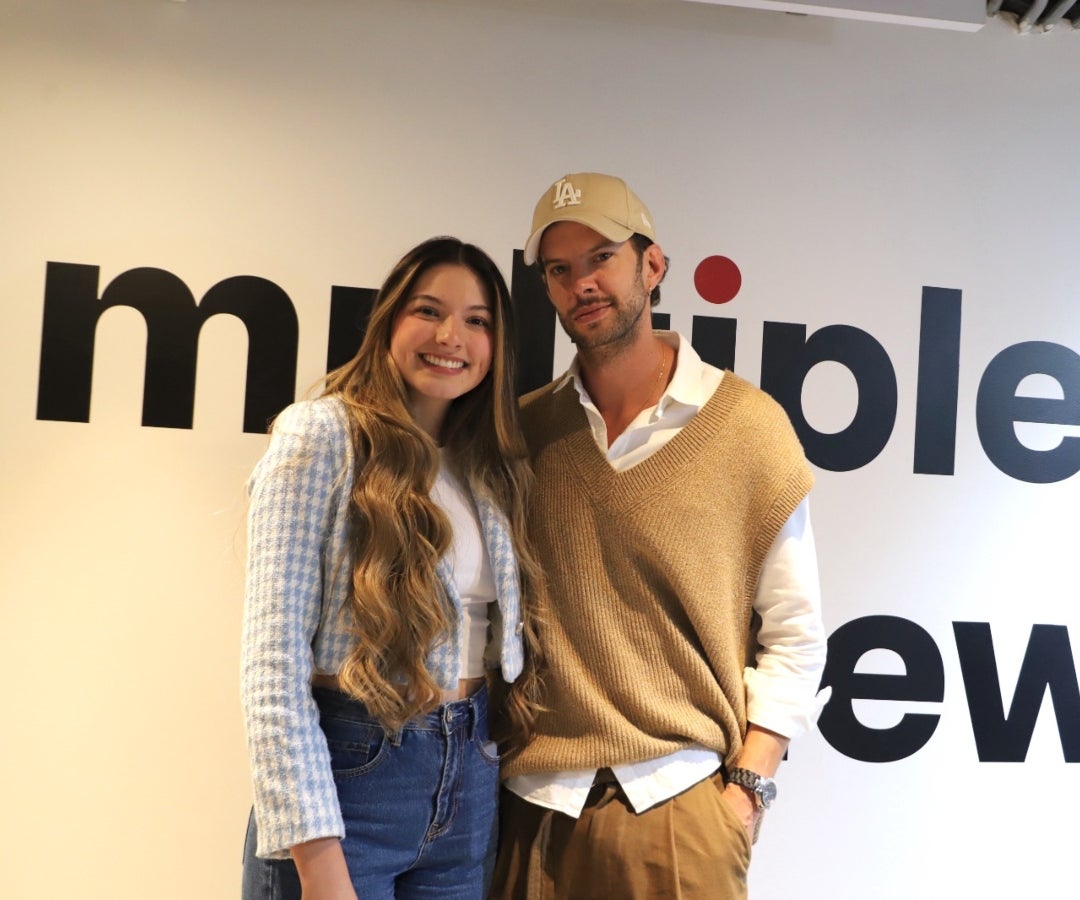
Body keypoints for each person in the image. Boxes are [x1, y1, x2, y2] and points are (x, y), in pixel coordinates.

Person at [491, 173, 828, 899]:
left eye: (601, 257)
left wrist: (747, 791)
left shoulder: (748, 428)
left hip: (678, 807)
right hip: (532, 815)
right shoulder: (521, 434)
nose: (582, 282)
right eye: (560, 269)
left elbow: (797, 632)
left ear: (653, 265)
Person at [240, 236, 542, 900]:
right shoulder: (321, 436)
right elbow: (272, 661)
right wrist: (316, 856)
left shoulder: (487, 465)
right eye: (428, 311)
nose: (450, 336)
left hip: (468, 779)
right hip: (351, 776)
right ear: (389, 322)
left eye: (476, 321)